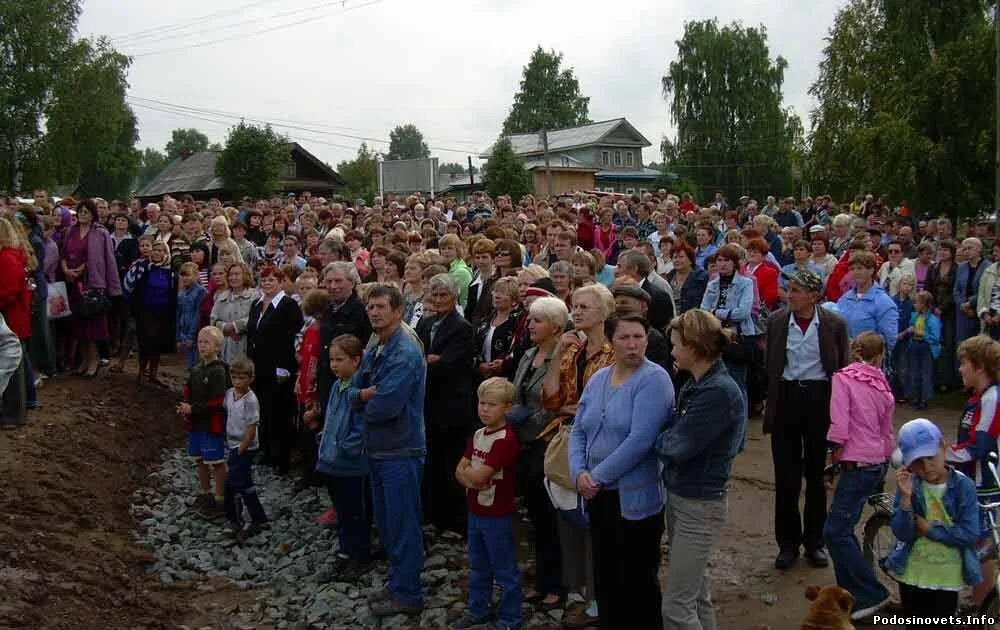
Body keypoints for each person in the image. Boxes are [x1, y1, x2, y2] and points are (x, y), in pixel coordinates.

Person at [571, 314, 673, 630]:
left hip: (634, 500)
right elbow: (579, 430)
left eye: (638, 337)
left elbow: (640, 440)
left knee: (638, 579)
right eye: (624, 338)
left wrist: (595, 477)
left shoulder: (654, 379)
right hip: (598, 496)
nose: (632, 345)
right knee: (605, 573)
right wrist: (578, 473)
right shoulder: (599, 378)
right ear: (610, 342)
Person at [657, 309, 745, 629]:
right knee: (695, 594)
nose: (672, 351)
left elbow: (676, 446)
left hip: (698, 503)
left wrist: (651, 436)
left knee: (677, 606)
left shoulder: (717, 392)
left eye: (676, 344)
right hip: (684, 496)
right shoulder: (698, 384)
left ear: (694, 348)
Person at [541, 283, 616, 630]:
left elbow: (607, 408)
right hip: (568, 440)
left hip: (601, 448)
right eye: (575, 306)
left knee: (596, 523)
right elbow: (552, 400)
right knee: (568, 518)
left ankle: (600, 598)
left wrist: (578, 408)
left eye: (586, 306)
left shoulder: (615, 354)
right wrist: (557, 354)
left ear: (605, 312)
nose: (578, 312)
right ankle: (580, 589)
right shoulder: (572, 350)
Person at [764, 269, 850, 570]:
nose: (790, 294)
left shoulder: (833, 324)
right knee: (786, 478)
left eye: (797, 290)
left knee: (817, 475)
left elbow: (842, 365)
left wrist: (841, 412)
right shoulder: (776, 321)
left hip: (819, 399)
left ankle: (815, 542)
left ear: (814, 296)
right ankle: (787, 543)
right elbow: (770, 363)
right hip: (787, 397)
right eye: (790, 289)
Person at [358, 284, 427, 618]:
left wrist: (359, 400)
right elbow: (357, 384)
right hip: (380, 448)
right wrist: (361, 395)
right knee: (387, 524)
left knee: (402, 525)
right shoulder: (377, 343)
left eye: (381, 306)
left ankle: (409, 593)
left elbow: (384, 405)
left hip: (401, 448)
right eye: (370, 306)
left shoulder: (404, 351)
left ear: (398, 310)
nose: (374, 312)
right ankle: (398, 582)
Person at [823, 332, 895, 621]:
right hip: (876, 462)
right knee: (844, 527)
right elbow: (886, 431)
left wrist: (830, 462)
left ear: (856, 353)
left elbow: (839, 425)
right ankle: (850, 594)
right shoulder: (883, 385)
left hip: (856, 462)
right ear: (880, 356)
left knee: (836, 531)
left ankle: (869, 593)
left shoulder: (843, 379)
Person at [887, 419, 982, 623]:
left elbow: (970, 533)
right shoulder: (911, 485)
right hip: (911, 573)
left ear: (943, 447)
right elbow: (902, 533)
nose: (927, 466)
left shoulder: (964, 487)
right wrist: (905, 499)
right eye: (917, 462)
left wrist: (929, 529)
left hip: (946, 578)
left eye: (931, 457)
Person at [509, 296, 568, 610]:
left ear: (555, 326)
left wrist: (528, 422)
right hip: (524, 444)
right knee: (535, 516)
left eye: (537, 320)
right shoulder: (529, 354)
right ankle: (542, 578)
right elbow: (517, 392)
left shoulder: (564, 358)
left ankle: (557, 584)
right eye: (530, 319)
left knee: (550, 518)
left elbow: (556, 403)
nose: (529, 324)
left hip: (547, 444)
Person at [451, 377, 522, 630]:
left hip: (497, 513)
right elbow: (460, 468)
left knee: (505, 569)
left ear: (507, 408)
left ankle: (511, 618)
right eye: (482, 403)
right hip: (475, 509)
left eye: (492, 404)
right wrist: (471, 479)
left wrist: (470, 477)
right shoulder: (478, 434)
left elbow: (477, 473)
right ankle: (477, 608)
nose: (484, 409)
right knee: (478, 565)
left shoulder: (505, 439)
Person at [416, 273, 478, 536]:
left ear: (454, 297)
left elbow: (449, 365)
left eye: (444, 295)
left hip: (452, 405)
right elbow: (419, 357)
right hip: (429, 403)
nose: (439, 300)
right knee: (431, 460)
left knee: (451, 461)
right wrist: (430, 360)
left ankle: (454, 520)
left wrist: (433, 361)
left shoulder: (462, 327)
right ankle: (431, 513)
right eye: (435, 295)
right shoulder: (426, 322)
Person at [947, 335, 1000, 606]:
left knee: (983, 547)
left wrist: (941, 455)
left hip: (986, 484)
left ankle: (981, 612)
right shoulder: (979, 398)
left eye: (964, 363)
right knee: (981, 545)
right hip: (976, 481)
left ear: (979, 366)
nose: (960, 369)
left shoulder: (992, 398)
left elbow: (979, 447)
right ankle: (980, 603)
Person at [315, 334, 372, 577]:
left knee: (355, 511)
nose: (335, 364)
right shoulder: (338, 386)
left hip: (351, 463)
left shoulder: (360, 389)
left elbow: (362, 428)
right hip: (332, 461)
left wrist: (344, 448)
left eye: (340, 359)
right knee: (341, 509)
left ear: (356, 360)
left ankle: (360, 554)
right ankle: (345, 550)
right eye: (332, 359)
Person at [246, 265, 304, 475]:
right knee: (262, 409)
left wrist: (285, 367)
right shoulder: (256, 303)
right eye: (264, 280)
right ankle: (267, 451)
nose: (267, 283)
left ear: (281, 282)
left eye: (272, 280)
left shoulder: (289, 305)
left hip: (279, 368)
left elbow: (291, 337)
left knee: (279, 411)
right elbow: (251, 335)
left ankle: (282, 459)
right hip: (258, 366)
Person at [61, 199, 122, 376]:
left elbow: (109, 260)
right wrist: (66, 269)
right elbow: (63, 254)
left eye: (86, 212)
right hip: (72, 283)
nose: (82, 214)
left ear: (93, 214)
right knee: (77, 325)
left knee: (93, 324)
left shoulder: (101, 233)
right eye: (80, 211)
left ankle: (94, 361)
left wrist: (113, 287)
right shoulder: (70, 232)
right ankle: (84, 360)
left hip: (93, 283)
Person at [177, 326, 231, 519]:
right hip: (196, 424)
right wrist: (185, 408)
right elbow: (188, 390)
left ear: (217, 347)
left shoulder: (219, 371)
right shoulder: (196, 369)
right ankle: (205, 494)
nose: (202, 345)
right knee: (199, 460)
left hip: (212, 424)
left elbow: (218, 401)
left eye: (207, 342)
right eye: (200, 341)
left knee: (216, 462)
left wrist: (194, 409)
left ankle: (221, 499)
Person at [700, 244, 758, 401]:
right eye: (719, 260)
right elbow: (703, 310)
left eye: (727, 260)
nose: (722, 264)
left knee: (738, 384)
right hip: (716, 337)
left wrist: (716, 312)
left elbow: (743, 313)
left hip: (739, 337)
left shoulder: (746, 283)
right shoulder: (712, 284)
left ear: (734, 263)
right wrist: (722, 314)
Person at [315, 261, 371, 417]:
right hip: (327, 381)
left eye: (338, 281)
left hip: (351, 384)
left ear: (352, 283)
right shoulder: (327, 309)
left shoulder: (362, 311)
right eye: (329, 281)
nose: (333, 286)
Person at [223, 356, 268, 541]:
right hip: (232, 443)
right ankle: (259, 517)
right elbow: (226, 411)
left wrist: (243, 446)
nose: (237, 382)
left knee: (232, 484)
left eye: (242, 378)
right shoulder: (229, 394)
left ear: (250, 378)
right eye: (234, 378)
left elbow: (252, 426)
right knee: (246, 484)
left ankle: (234, 520)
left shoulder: (251, 400)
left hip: (244, 447)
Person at [123, 240, 176, 386]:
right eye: (155, 250)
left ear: (166, 253)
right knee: (145, 343)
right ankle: (140, 373)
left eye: (161, 250)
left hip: (163, 313)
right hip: (145, 312)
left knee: (158, 344)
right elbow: (128, 285)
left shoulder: (170, 271)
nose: (157, 253)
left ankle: (153, 374)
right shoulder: (141, 267)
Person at [0, 218, 33, 428]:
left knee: (13, 368)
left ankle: (14, 415)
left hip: (11, 315)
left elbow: (9, 291)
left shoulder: (6, 258)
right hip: (10, 315)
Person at [836, 251, 898, 353]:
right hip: (845, 358)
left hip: (869, 360)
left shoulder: (883, 302)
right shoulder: (845, 298)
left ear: (871, 270)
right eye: (852, 269)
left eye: (860, 268)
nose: (856, 272)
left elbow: (889, 339)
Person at [211, 263, 260, 364]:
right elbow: (213, 320)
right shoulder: (221, 297)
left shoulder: (255, 296)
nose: (233, 277)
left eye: (237, 274)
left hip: (246, 346)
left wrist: (235, 326)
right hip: (224, 347)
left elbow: (257, 318)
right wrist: (225, 328)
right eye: (231, 275)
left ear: (245, 275)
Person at [900, 291, 942, 410]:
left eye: (917, 303)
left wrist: (919, 333)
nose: (915, 305)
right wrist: (904, 333)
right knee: (914, 371)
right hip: (914, 345)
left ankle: (925, 399)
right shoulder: (915, 316)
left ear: (924, 304)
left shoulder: (933, 319)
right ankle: (916, 396)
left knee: (926, 373)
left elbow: (935, 337)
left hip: (926, 347)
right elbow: (911, 328)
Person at [475, 277, 520, 379]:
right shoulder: (484, 321)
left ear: (514, 301)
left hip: (505, 378)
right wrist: (480, 364)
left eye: (503, 293)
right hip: (480, 377)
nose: (497, 296)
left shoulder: (517, 323)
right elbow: (474, 347)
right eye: (496, 291)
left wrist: (502, 365)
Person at [927, 240, 958, 389]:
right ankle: (933, 378)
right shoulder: (933, 268)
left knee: (947, 344)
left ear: (952, 253)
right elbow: (928, 289)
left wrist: (943, 308)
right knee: (933, 342)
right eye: (940, 249)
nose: (942, 252)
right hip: (933, 311)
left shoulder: (958, 269)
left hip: (950, 312)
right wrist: (932, 307)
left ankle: (946, 380)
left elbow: (956, 291)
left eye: (946, 250)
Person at [955, 238, 988, 349]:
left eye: (969, 248)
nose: (966, 251)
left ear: (979, 249)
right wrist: (962, 305)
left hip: (980, 311)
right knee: (962, 346)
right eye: (964, 249)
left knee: (979, 347)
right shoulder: (961, 267)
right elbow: (956, 290)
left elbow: (986, 291)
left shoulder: (988, 267)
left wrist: (970, 303)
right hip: (963, 312)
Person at [176, 262, 207, 369]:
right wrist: (178, 337)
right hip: (184, 331)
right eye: (183, 275)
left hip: (195, 333)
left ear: (196, 275)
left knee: (196, 364)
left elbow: (198, 315)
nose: (185, 278)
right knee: (189, 364)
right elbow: (178, 314)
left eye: (188, 275)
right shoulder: (181, 292)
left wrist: (191, 336)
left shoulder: (201, 291)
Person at [667, 242, 708, 314]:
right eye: (675, 257)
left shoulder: (702, 277)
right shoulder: (669, 277)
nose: (677, 260)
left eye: (681, 257)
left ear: (690, 260)